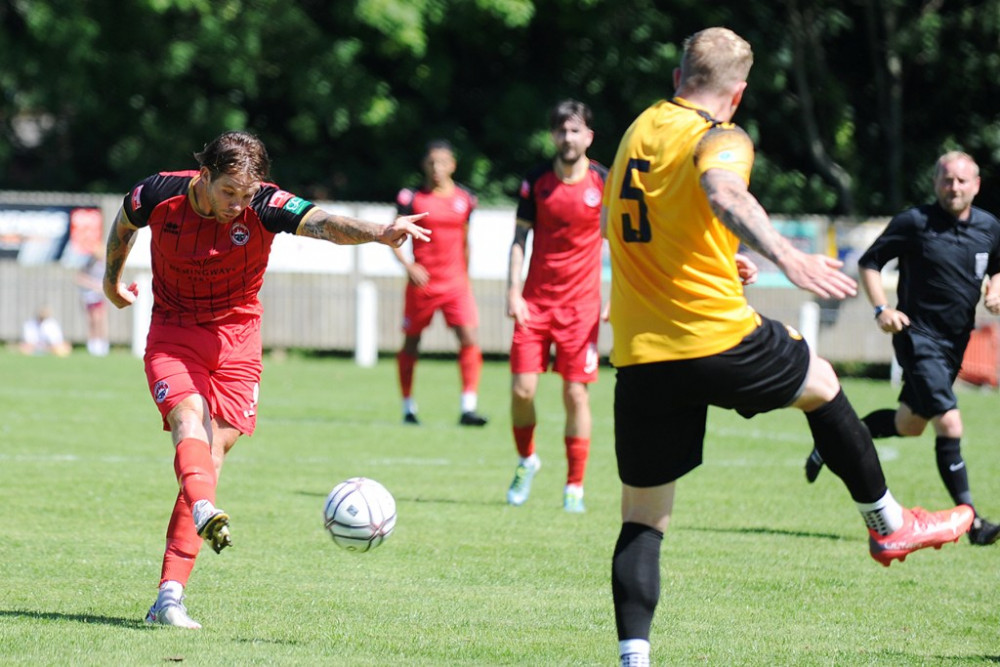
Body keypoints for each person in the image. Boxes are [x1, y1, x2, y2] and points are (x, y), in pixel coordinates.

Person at [601, 28, 975, 667]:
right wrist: (786, 257)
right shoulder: (721, 135)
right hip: (715, 337)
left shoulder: (640, 129)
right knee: (824, 385)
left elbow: (659, 223)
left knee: (643, 518)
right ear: (739, 94)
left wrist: (727, 258)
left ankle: (634, 657)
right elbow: (723, 193)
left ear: (677, 76)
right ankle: (889, 527)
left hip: (642, 355)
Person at [102, 130, 430, 630]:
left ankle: (168, 595)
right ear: (205, 176)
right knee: (188, 419)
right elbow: (124, 225)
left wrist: (379, 233)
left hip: (238, 341)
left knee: (212, 453)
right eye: (229, 192)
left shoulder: (265, 204)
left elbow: (324, 223)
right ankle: (194, 534)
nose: (238, 204)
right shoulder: (159, 192)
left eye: (246, 194)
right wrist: (111, 280)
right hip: (174, 332)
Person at [804, 151, 1000, 546]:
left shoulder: (989, 227)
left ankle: (832, 443)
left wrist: (996, 287)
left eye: (962, 180)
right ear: (935, 183)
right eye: (947, 179)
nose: (954, 187)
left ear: (976, 184)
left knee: (909, 425)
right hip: (916, 336)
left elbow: (996, 266)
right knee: (950, 422)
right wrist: (882, 309)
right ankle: (974, 522)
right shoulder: (915, 222)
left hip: (955, 341)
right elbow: (870, 261)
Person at [505, 99, 607, 513]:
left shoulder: (604, 180)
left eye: (576, 130)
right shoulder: (536, 181)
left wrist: (618, 293)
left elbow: (620, 240)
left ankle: (574, 487)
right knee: (522, 389)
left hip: (581, 308)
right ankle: (527, 459)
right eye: (562, 130)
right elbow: (519, 240)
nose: (568, 137)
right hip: (535, 303)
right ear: (553, 135)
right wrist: (513, 292)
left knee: (575, 396)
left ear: (589, 136)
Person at [392, 139, 488, 427]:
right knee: (412, 342)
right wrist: (408, 265)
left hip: (456, 283)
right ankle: (408, 408)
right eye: (432, 163)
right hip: (423, 283)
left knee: (469, 339)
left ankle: (468, 407)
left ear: (452, 165)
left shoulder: (465, 199)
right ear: (425, 165)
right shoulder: (412, 198)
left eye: (442, 163)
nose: (437, 168)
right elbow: (393, 236)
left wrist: (466, 276)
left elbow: (466, 240)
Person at [75, 248, 110, 356]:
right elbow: (79, 278)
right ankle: (93, 344)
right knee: (91, 320)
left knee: (100, 320)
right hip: (89, 296)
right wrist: (93, 285)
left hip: (99, 296)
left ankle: (103, 344)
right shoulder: (89, 265)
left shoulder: (105, 265)